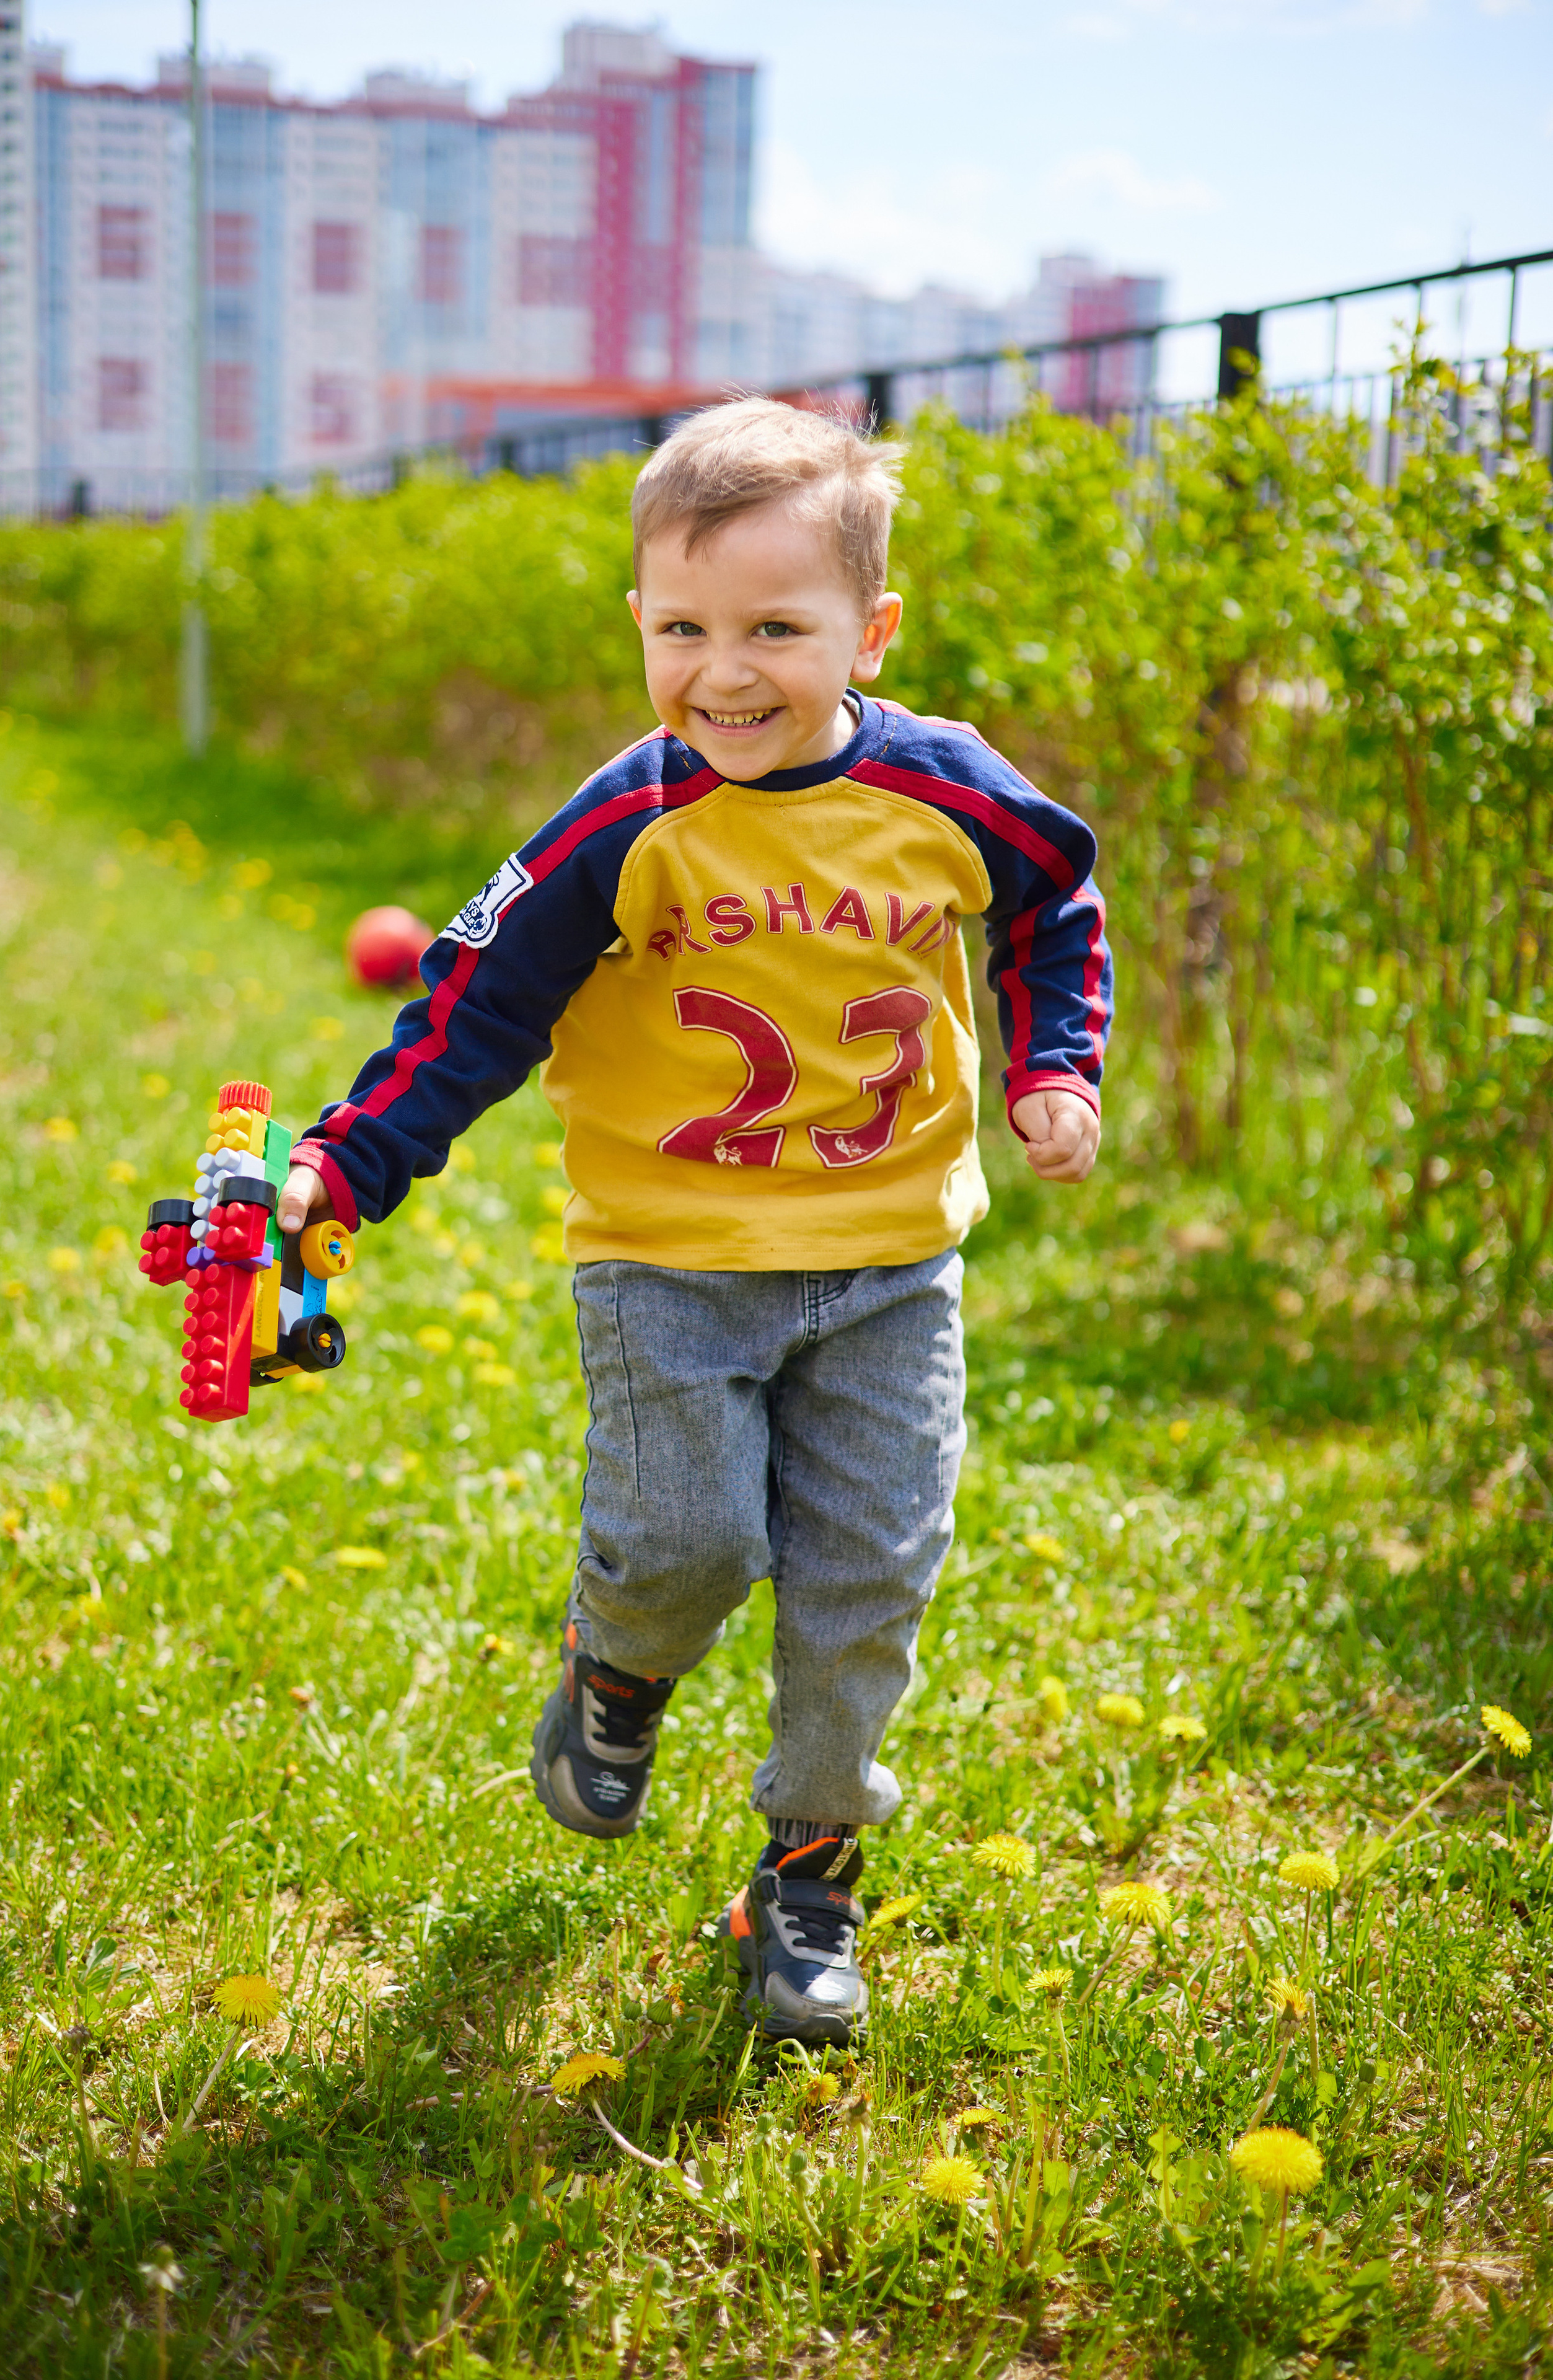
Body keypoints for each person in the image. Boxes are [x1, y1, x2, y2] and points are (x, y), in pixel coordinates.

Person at [276, 397, 1111, 2045]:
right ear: (640, 624)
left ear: (869, 632)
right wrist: (342, 1169)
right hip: (670, 1264)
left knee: (869, 1577)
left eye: (776, 630)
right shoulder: (619, 823)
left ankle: (806, 1878)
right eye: (684, 629)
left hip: (890, 1268)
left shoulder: (957, 796)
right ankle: (617, 1671)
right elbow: (473, 1010)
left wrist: (1054, 1065)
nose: (724, 672)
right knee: (688, 1544)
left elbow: (1055, 906)